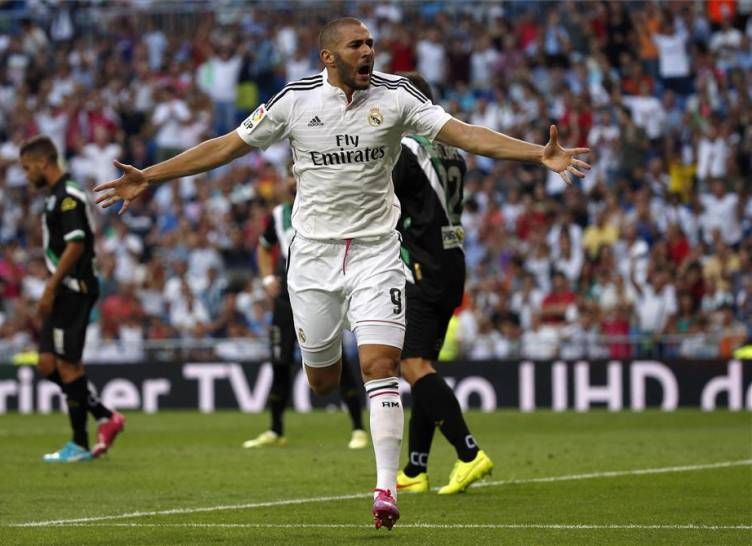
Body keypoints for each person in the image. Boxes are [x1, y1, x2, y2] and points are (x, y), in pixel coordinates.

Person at [94, 17, 589, 529]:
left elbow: (462, 134)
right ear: (329, 57)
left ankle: (385, 489)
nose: (368, 52)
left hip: (377, 253)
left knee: (381, 366)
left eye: (371, 43)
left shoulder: (397, 96)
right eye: (357, 45)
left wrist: (538, 153)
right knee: (323, 382)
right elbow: (226, 146)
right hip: (312, 259)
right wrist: (150, 175)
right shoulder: (294, 101)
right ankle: (353, 412)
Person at [390, 72, 493, 495]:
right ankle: (415, 469)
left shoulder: (407, 152)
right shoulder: (453, 152)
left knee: (411, 365)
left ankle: (469, 454)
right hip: (452, 262)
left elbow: (383, 203)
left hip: (423, 266)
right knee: (422, 368)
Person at [244, 172, 368, 450]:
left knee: (337, 359)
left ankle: (359, 428)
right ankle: (275, 430)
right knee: (279, 361)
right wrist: (266, 279)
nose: (291, 181)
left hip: (321, 291)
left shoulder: (327, 207)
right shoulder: (278, 215)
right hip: (287, 297)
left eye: (295, 174)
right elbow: (265, 248)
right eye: (288, 176)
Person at [19, 135, 125, 462]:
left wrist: (50, 287)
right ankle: (106, 416)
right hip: (63, 287)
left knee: (67, 365)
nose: (26, 174)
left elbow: (76, 244)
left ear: (42, 162)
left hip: (73, 288)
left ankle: (79, 443)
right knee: (47, 364)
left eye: (27, 167)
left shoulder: (68, 196)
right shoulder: (54, 196)